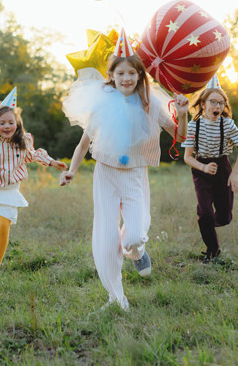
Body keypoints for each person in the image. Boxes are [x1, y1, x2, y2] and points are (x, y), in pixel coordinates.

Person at [60, 29, 189, 311]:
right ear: (112, 76)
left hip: (134, 175)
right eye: (121, 73)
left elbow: (180, 137)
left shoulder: (151, 104)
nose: (126, 78)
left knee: (134, 235)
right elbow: (83, 144)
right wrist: (71, 171)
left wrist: (182, 114)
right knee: (106, 240)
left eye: (132, 73)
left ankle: (137, 252)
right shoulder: (102, 103)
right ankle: (116, 298)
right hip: (105, 174)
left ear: (140, 75)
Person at [0, 88, 66, 280]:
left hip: (10, 190)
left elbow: (32, 155)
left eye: (11, 122)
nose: (7, 126)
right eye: (2, 123)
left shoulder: (23, 141)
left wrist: (51, 162)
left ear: (17, 123)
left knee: (4, 225)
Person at [182, 76, 238, 264]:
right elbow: (187, 157)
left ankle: (209, 222)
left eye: (221, 103)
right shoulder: (194, 125)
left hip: (223, 169)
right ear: (203, 104)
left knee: (224, 217)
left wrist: (235, 173)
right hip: (201, 169)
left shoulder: (227, 124)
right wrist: (203, 167)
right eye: (213, 102)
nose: (217, 106)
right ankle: (212, 250)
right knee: (205, 213)